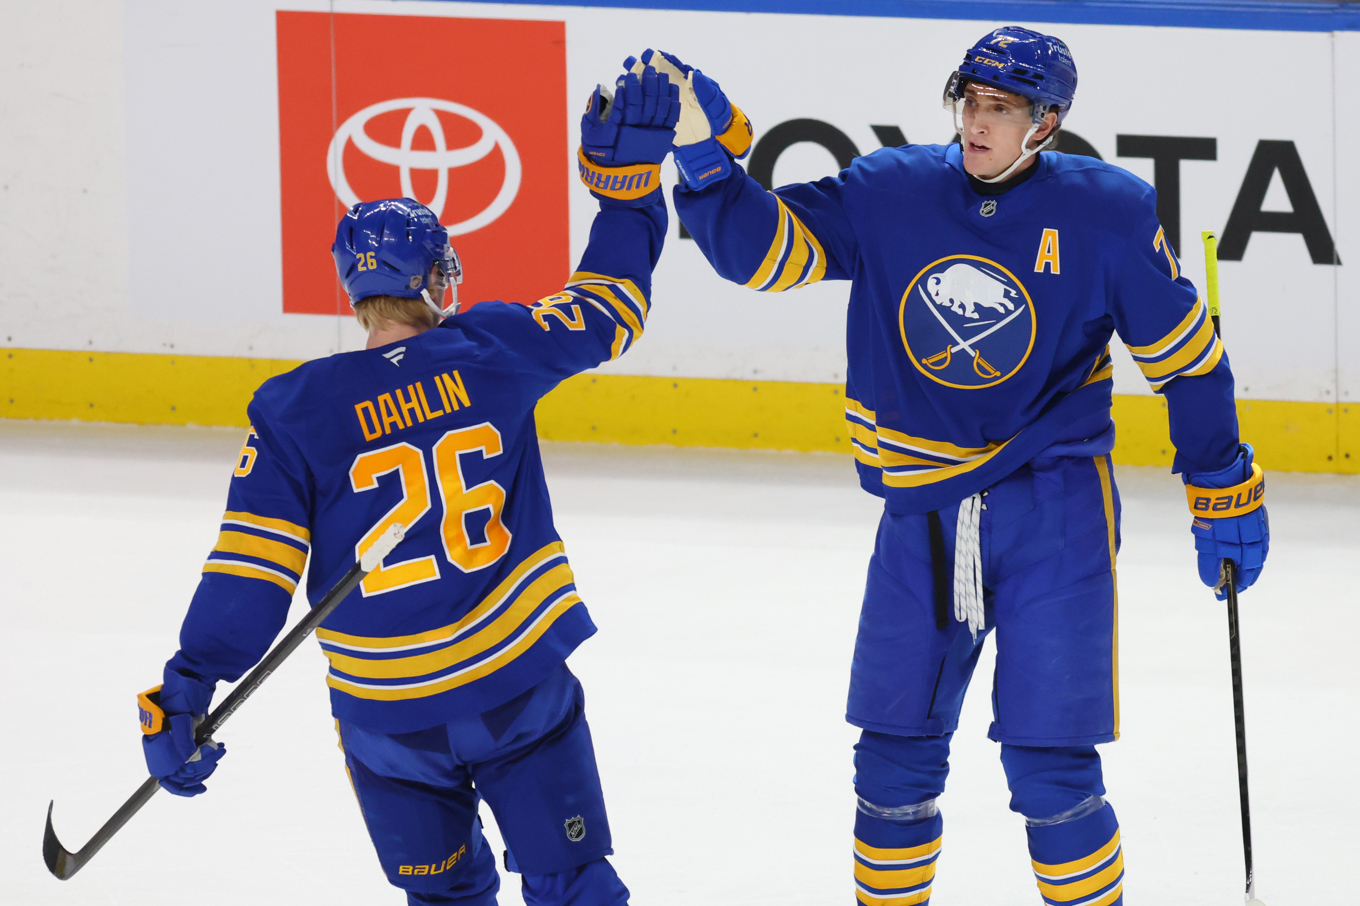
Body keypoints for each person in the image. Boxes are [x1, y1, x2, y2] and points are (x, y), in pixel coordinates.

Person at [634, 29, 1269, 906]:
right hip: (922, 510)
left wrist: (1221, 484)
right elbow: (762, 251)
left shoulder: (1108, 212)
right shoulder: (890, 189)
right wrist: (706, 159)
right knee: (891, 763)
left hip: (1056, 510)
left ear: (1047, 122)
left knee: (1052, 767)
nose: (976, 122)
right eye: (968, 101)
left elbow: (1188, 361)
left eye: (1000, 108)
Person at [135, 63, 680, 905]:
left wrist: (185, 688)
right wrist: (627, 194)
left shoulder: (292, 408)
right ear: (433, 278)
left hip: (387, 715)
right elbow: (610, 306)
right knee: (573, 885)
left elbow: (251, 573)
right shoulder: (496, 348)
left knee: (443, 899)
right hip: (514, 688)